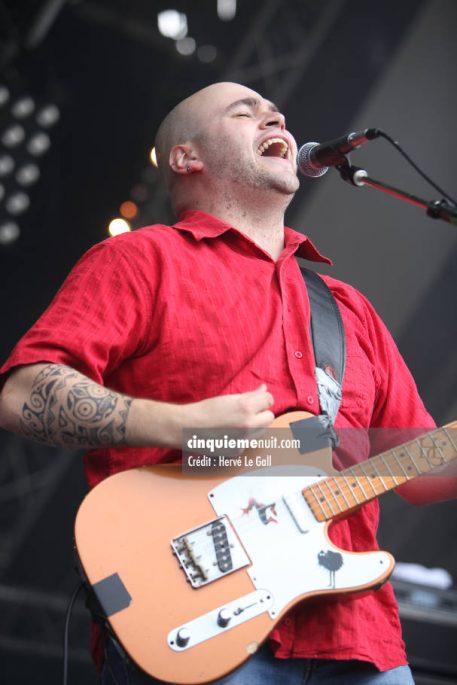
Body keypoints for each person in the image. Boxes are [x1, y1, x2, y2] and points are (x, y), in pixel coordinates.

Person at [0, 82, 455, 685]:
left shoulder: (349, 311)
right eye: (246, 112)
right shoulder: (142, 260)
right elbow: (23, 392)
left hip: (360, 639)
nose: (275, 116)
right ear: (188, 158)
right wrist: (181, 424)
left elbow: (421, 470)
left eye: (277, 113)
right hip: (201, 623)